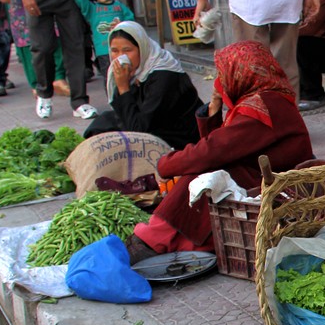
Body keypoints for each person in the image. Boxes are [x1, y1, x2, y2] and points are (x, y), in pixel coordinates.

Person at [127, 41, 313, 261]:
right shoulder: (264, 98)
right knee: (208, 172)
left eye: (222, 74)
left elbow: (213, 150)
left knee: (205, 175)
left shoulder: (264, 106)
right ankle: (160, 237)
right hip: (264, 177)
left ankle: (154, 237)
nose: (218, 82)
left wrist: (165, 164)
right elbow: (221, 143)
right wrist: (214, 107)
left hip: (280, 186)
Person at [83, 21, 201, 150]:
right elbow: (124, 112)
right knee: (101, 124)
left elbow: (139, 130)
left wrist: (123, 87)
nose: (120, 57)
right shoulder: (138, 71)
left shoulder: (164, 75)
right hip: (147, 123)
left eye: (127, 50)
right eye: (115, 51)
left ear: (142, 48)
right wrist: (123, 83)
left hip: (177, 137)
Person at [73, 0, 134, 77]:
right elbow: (81, 1)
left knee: (126, 76)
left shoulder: (119, 6)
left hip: (121, 49)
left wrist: (124, 26)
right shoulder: (92, 9)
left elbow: (131, 20)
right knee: (109, 78)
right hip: (103, 51)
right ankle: (111, 94)